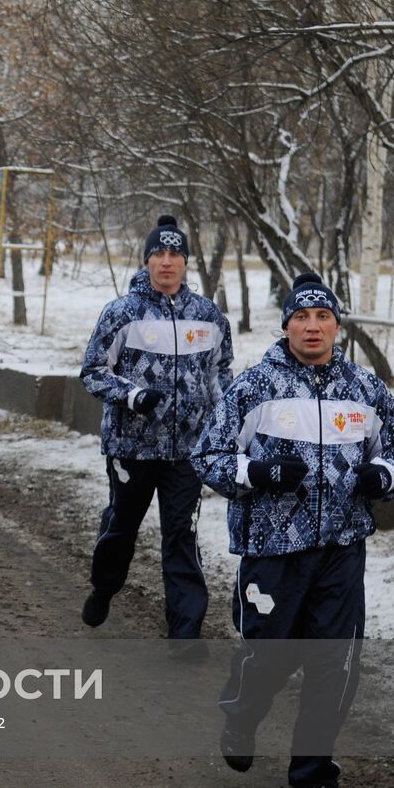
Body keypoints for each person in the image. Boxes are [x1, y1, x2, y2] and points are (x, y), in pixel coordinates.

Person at [193, 272, 394, 788]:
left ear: (336, 325)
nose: (312, 327)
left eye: (323, 316)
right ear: (286, 325)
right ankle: (242, 714)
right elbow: (207, 457)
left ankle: (313, 772)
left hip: (342, 548)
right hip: (273, 550)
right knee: (271, 657)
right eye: (301, 317)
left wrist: (383, 475)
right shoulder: (255, 387)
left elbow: (393, 452)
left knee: (337, 662)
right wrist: (258, 473)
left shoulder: (367, 390)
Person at [79, 216, 233, 646]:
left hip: (187, 450)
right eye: (158, 254)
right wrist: (132, 397)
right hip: (131, 447)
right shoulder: (122, 312)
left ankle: (185, 629)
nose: (166, 262)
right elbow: (92, 371)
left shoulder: (208, 316)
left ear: (185, 261)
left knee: (181, 534)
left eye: (175, 254)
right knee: (121, 525)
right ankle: (105, 587)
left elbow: (221, 373)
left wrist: (225, 424)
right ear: (147, 260)